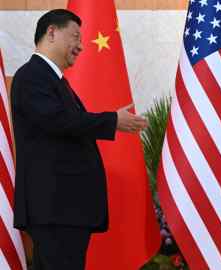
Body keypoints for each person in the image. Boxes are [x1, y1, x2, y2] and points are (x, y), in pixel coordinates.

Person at [11, 9, 148, 270]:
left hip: (64, 210)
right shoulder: (32, 76)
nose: (81, 46)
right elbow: (57, 121)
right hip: (55, 209)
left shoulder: (54, 80)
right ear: (51, 32)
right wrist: (112, 121)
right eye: (75, 37)